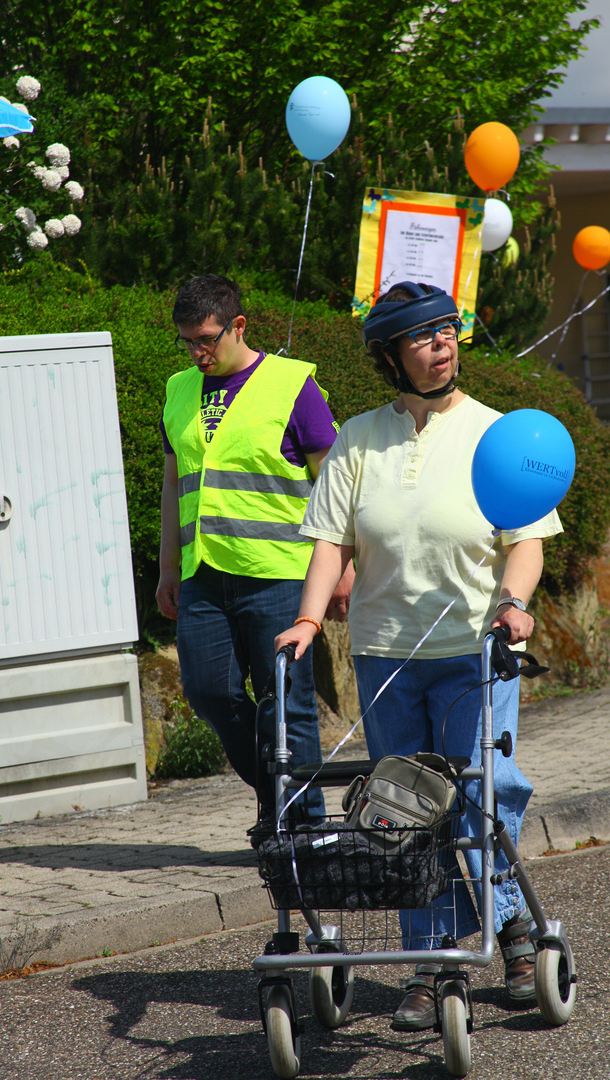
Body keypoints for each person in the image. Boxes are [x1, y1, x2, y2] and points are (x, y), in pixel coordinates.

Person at [275, 281, 563, 1027]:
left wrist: (514, 605)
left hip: (474, 652)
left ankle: (517, 933)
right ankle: (432, 963)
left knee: (479, 800)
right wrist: (309, 619)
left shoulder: (496, 432)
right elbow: (330, 539)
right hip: (384, 652)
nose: (442, 344)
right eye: (423, 336)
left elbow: (524, 538)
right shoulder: (359, 437)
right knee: (403, 815)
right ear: (391, 355)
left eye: (447, 330)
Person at [156, 274, 353, 823]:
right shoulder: (177, 391)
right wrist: (169, 565)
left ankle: (305, 827)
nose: (197, 352)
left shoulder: (293, 385)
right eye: (187, 341)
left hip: (281, 574)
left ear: (237, 326)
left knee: (287, 705)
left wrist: (343, 564)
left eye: (206, 339)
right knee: (208, 692)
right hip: (203, 575)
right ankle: (278, 797)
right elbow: (174, 482)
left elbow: (333, 482)